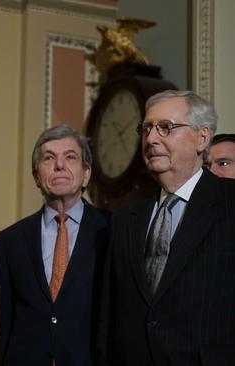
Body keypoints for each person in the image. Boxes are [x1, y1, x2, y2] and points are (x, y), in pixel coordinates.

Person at [97, 90, 235, 365]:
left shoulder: (229, 202)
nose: (151, 139)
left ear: (202, 138)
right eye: (146, 128)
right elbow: (108, 318)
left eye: (165, 128)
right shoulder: (125, 219)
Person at [0, 124, 110, 365]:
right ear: (37, 176)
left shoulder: (113, 230)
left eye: (70, 157)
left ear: (86, 173)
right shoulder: (10, 240)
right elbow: (7, 321)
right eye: (49, 158)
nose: (59, 165)